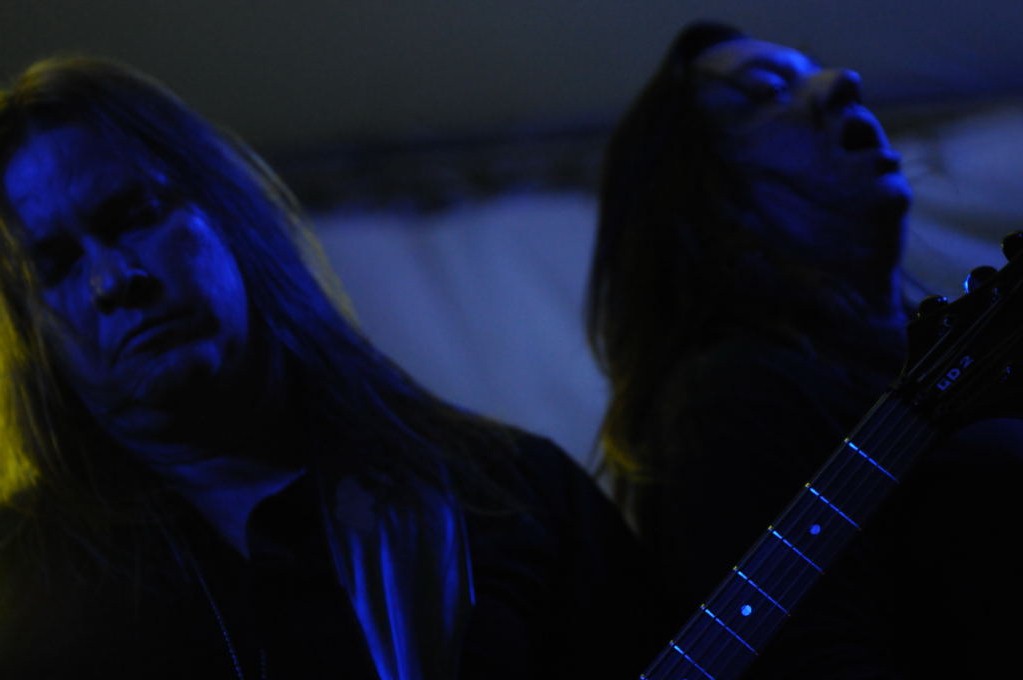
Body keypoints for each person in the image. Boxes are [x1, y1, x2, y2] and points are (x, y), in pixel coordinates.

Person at [0, 56, 672, 680]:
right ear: (33, 335)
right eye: (56, 264)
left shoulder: (517, 494)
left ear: (229, 215)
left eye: (133, 217)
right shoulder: (19, 581)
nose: (113, 279)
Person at [587, 20, 1023, 679]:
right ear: (701, 196)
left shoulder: (938, 353)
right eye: (766, 91)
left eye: (814, 69)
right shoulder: (732, 398)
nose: (840, 81)